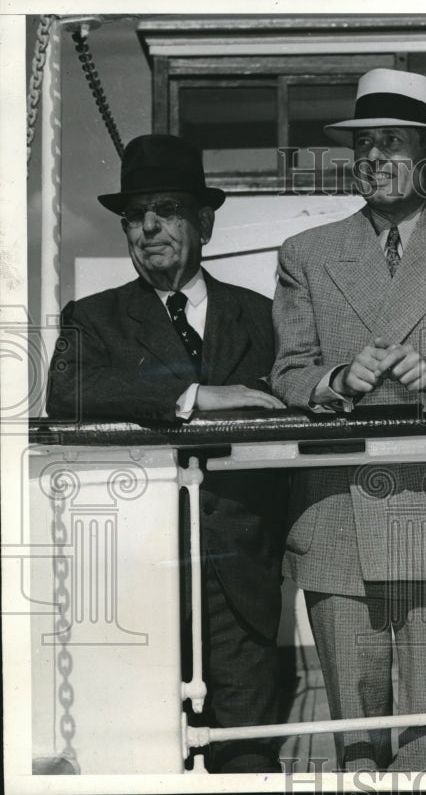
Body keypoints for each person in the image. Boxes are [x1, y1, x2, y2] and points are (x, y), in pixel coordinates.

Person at [269, 68, 426, 771]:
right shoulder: (306, 255)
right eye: (364, 143)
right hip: (336, 525)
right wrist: (336, 380)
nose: (375, 157)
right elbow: (287, 372)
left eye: (394, 142)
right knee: (354, 745)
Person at [46, 134, 288, 773]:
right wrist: (193, 393)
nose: (148, 226)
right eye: (135, 215)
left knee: (249, 759)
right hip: (138, 590)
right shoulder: (91, 320)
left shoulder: (263, 317)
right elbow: (67, 390)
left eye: (168, 209)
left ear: (204, 223)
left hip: (244, 587)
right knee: (144, 761)